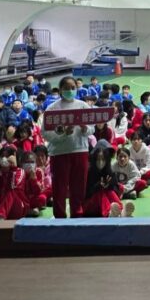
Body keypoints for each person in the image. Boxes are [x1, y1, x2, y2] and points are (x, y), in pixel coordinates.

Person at [43, 76, 94, 218]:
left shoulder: (83, 106)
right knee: (59, 187)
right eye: (66, 88)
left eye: (73, 88)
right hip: (59, 153)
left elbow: (92, 129)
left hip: (80, 150)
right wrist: (63, 135)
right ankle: (59, 216)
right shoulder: (52, 109)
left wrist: (84, 128)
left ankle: (77, 214)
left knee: (79, 186)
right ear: (60, 90)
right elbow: (45, 133)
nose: (70, 90)